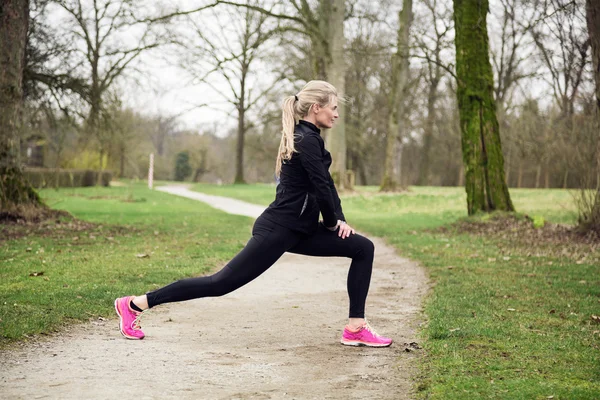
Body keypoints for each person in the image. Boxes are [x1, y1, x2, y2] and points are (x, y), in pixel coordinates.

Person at [114, 80, 392, 347]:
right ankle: (135, 304)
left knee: (362, 248)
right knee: (220, 283)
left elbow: (327, 185)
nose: (337, 114)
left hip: (300, 230)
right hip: (279, 229)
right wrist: (332, 224)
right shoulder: (305, 140)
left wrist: (339, 219)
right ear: (315, 107)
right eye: (333, 107)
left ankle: (355, 327)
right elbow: (320, 187)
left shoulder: (311, 139)